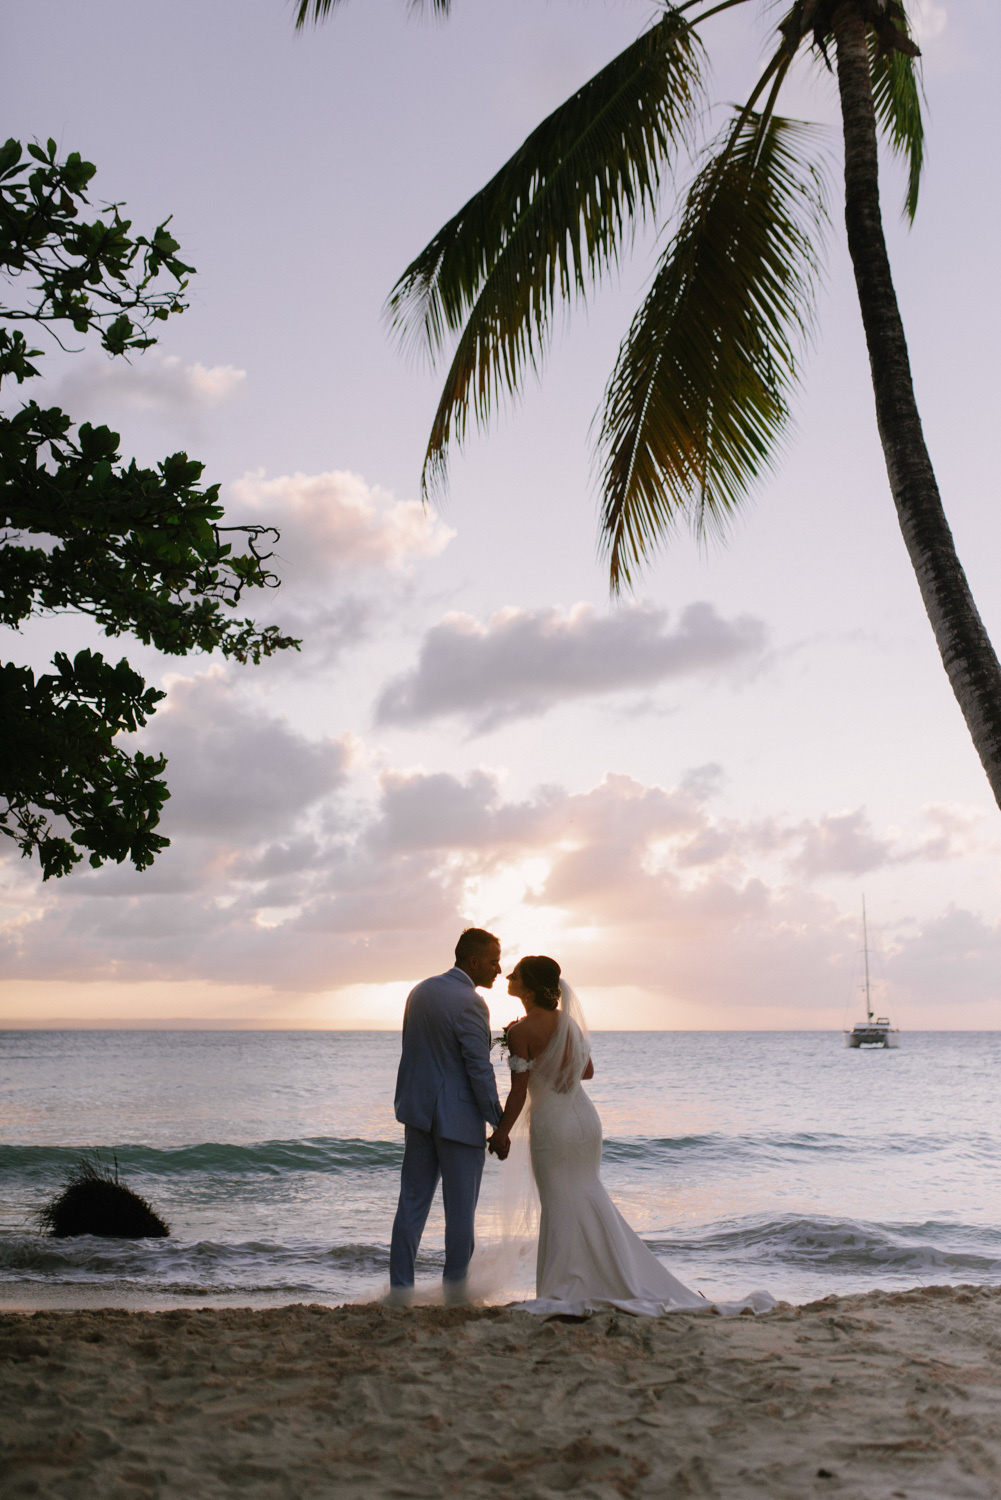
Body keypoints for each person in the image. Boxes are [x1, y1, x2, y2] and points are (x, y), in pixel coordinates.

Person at [489, 954, 709, 1315]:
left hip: (553, 1125)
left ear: (527, 986)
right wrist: (557, 1066)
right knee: (587, 1193)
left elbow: (517, 1091)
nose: (508, 977)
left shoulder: (520, 1032)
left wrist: (502, 1133)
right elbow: (586, 1072)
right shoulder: (569, 1026)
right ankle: (608, 1275)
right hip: (585, 1120)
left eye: (515, 974)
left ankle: (565, 1283)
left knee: (559, 1201)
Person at [387, 928, 504, 1305]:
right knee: (460, 1215)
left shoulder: (420, 990)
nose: (499, 969)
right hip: (458, 1119)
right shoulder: (470, 1002)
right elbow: (479, 1069)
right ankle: (455, 1294)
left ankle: (401, 1291)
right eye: (492, 961)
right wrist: (499, 1121)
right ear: (473, 961)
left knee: (412, 1203)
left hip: (418, 1113)